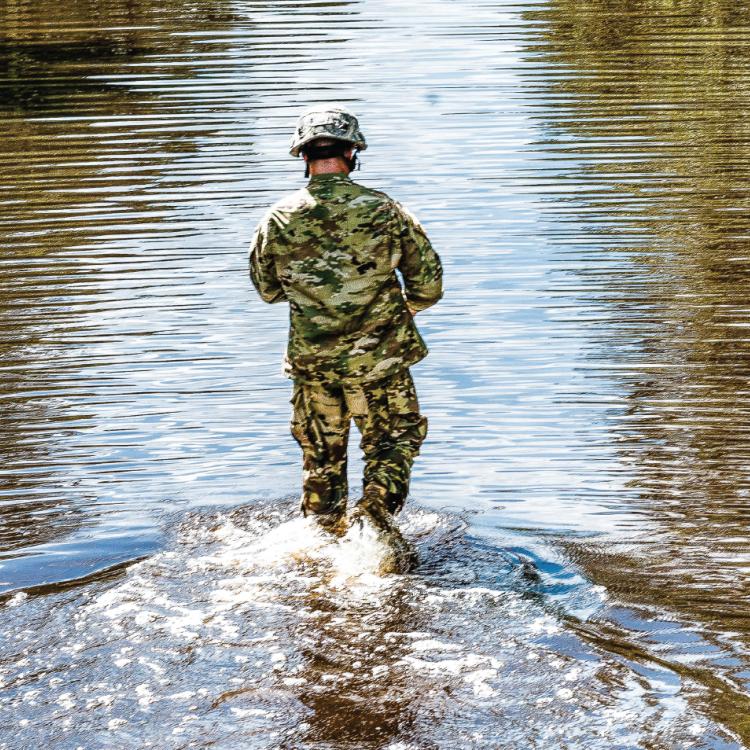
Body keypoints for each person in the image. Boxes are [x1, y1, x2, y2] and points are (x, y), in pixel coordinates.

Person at [249, 104, 442, 548]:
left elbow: (267, 290)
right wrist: (402, 310)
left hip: (313, 367)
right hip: (381, 363)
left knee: (321, 463)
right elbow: (429, 284)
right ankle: (373, 517)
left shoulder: (278, 218)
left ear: (303, 157)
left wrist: (315, 301)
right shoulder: (386, 211)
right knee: (392, 445)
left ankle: (318, 554)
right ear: (353, 151)